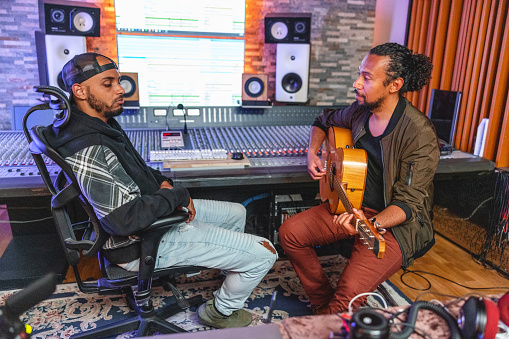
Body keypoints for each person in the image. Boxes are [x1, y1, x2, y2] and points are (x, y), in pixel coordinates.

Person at [42, 53, 277, 329]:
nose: (121, 89)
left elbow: (138, 168)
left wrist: (165, 183)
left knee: (237, 212)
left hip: (150, 215)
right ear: (79, 91)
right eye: (108, 83)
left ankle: (232, 267)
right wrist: (176, 195)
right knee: (266, 252)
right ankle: (220, 311)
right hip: (138, 242)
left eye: (118, 81)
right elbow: (123, 220)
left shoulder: (98, 122)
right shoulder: (87, 146)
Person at [278, 43, 439, 314]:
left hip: (394, 224)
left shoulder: (418, 133)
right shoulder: (359, 112)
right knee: (290, 233)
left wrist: (369, 223)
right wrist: (313, 152)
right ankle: (322, 302)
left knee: (349, 298)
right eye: (359, 74)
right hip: (350, 205)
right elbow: (323, 120)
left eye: (366, 77)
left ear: (394, 85)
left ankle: (334, 312)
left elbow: (409, 205)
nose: (356, 83)